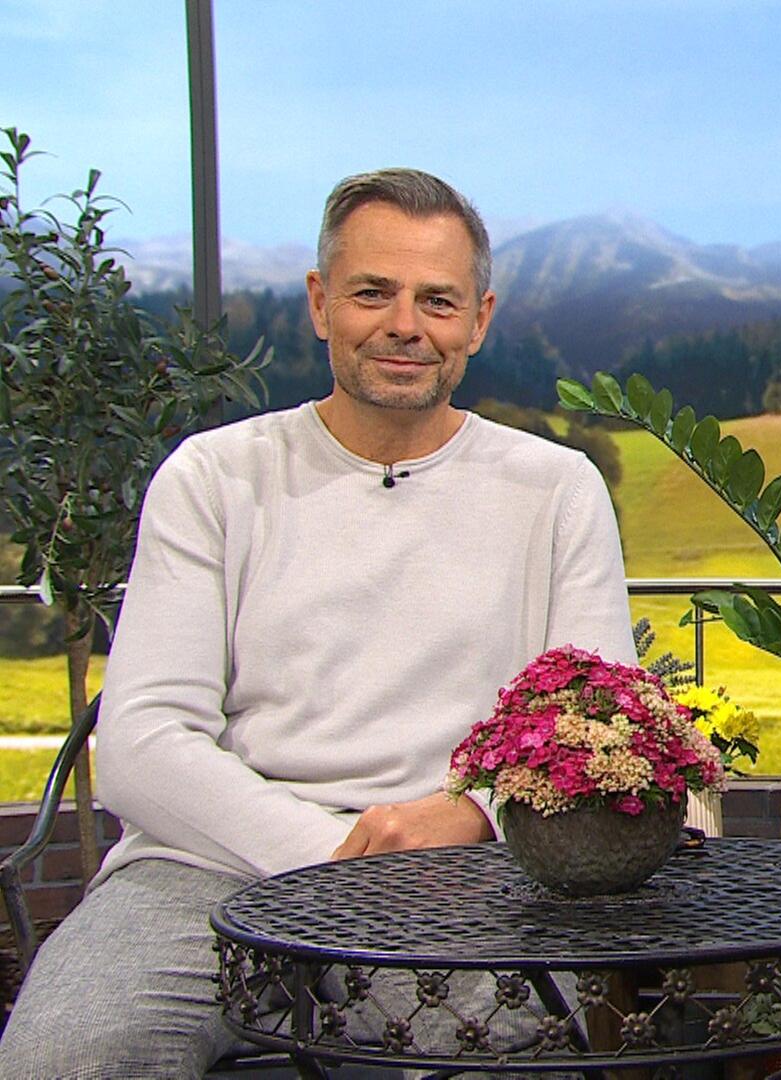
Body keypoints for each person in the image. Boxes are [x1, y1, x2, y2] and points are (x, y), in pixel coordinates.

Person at [0, 168, 638, 1075]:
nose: (405, 325)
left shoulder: (554, 489)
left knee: (507, 1061)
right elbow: (143, 742)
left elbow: (596, 734)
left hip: (457, 879)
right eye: (373, 292)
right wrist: (338, 858)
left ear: (480, 319)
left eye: (437, 300)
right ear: (319, 303)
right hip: (204, 868)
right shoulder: (213, 477)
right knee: (63, 1056)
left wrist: (479, 815)